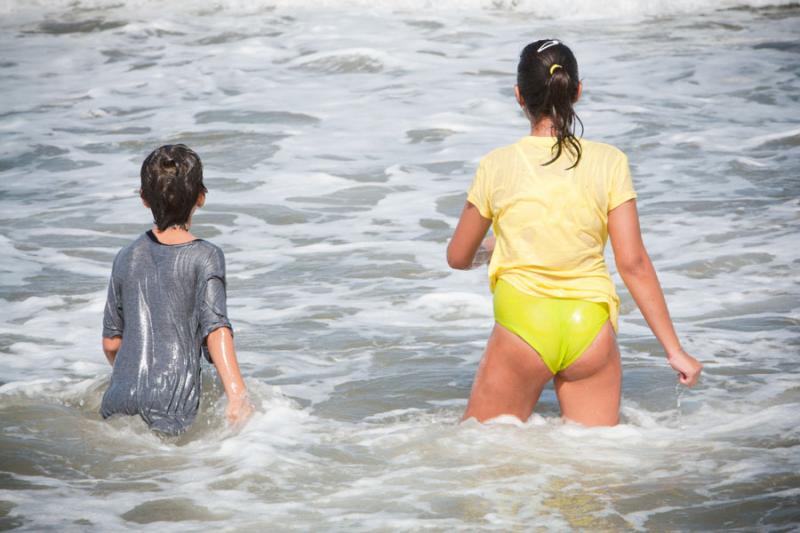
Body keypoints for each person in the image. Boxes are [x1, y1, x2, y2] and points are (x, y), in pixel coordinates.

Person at [447, 39, 702, 427]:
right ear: (577, 91)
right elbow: (633, 264)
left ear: (519, 96)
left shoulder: (497, 165)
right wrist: (674, 350)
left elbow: (458, 257)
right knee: (594, 469)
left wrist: (492, 248)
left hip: (523, 325)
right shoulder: (610, 161)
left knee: (487, 462)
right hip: (590, 328)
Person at [100, 144, 252, 435]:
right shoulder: (206, 255)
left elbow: (111, 344)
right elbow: (216, 328)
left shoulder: (125, 256)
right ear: (201, 197)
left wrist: (130, 380)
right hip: (172, 404)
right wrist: (237, 394)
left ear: (143, 199)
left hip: (117, 399)